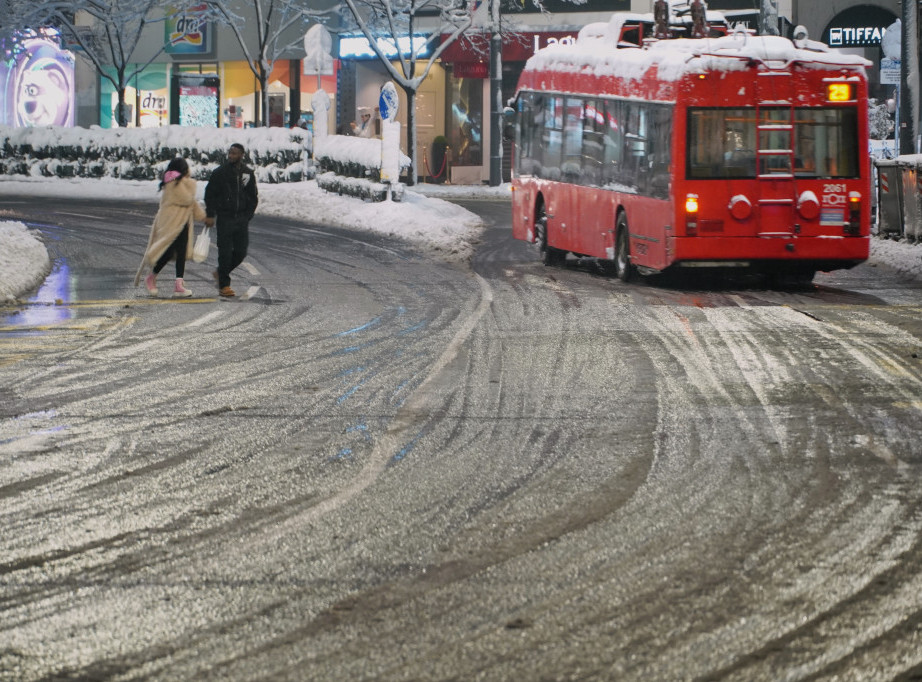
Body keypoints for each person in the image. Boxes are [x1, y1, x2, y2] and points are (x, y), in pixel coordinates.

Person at [134, 157, 212, 297]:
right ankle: (151, 277)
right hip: (171, 222)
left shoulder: (181, 182)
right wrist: (190, 183)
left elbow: (191, 203)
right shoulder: (172, 182)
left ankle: (178, 285)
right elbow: (187, 199)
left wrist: (203, 217)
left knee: (181, 252)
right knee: (168, 251)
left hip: (182, 222)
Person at [204, 142, 258, 298]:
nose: (231, 156)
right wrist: (210, 214)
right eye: (230, 153)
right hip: (225, 218)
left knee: (241, 252)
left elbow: (253, 196)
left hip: (241, 219)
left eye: (235, 153)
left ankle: (220, 272)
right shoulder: (220, 173)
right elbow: (210, 194)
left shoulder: (247, 173)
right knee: (225, 252)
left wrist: (247, 215)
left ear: (242, 155)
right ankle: (224, 285)